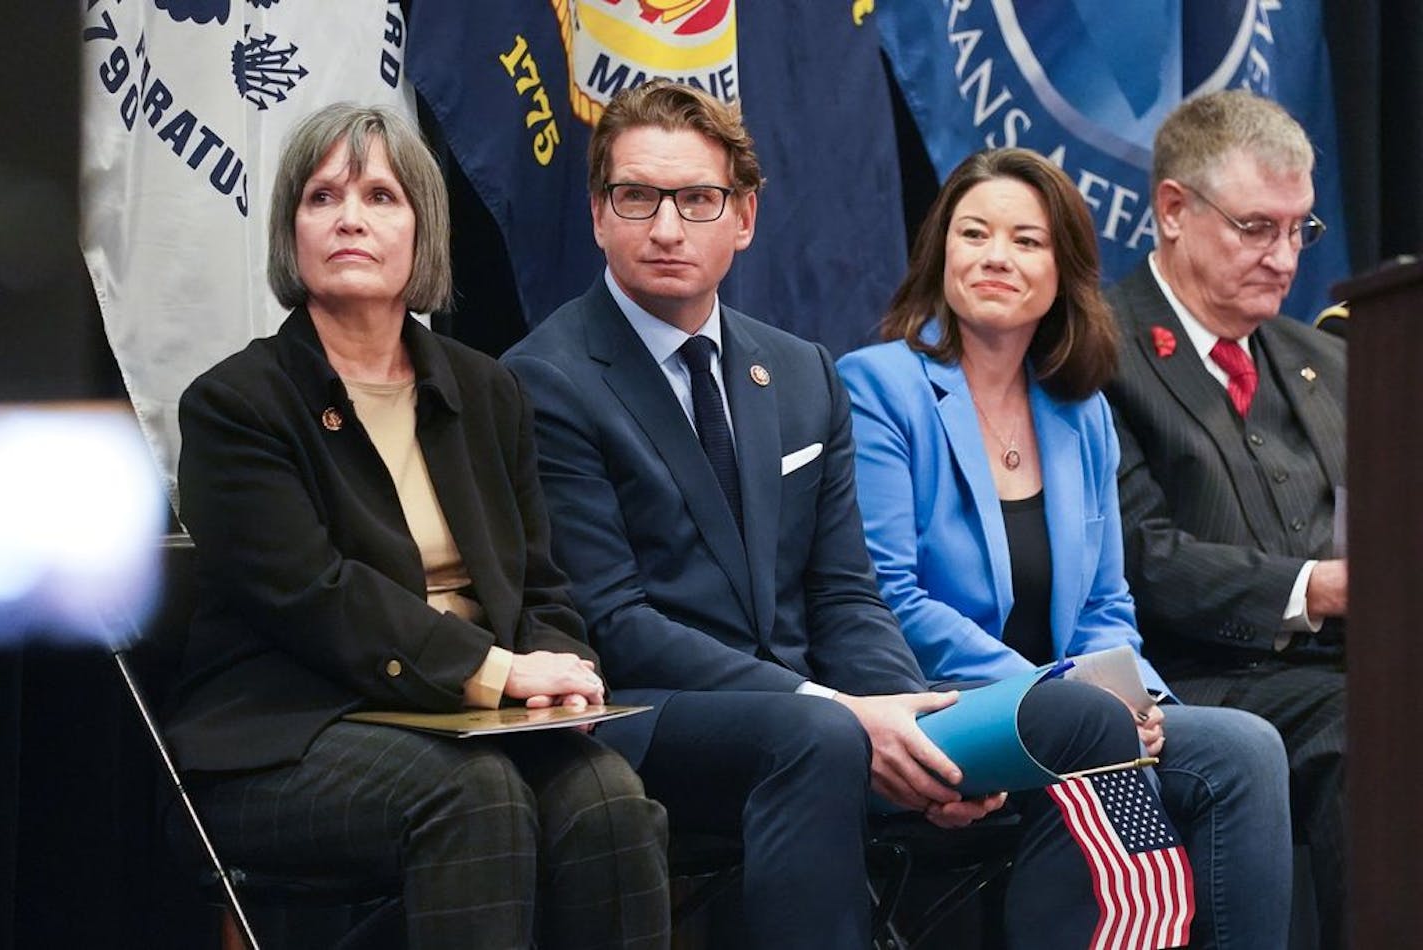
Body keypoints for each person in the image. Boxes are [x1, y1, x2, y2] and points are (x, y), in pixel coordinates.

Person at [506, 79, 1195, 950]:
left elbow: (846, 594)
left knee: (1081, 720)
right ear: (600, 215)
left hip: (832, 713)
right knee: (818, 737)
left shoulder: (800, 371)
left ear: (744, 217)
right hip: (657, 715)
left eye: (698, 199)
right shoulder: (547, 379)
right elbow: (614, 623)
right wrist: (838, 706)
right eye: (637, 198)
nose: (668, 227)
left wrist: (904, 712)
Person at [165, 103, 669, 950]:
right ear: (292, 233)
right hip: (294, 733)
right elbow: (317, 599)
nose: (350, 218)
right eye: (322, 198)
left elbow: (537, 581)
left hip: (473, 721)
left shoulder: (486, 390)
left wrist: (566, 675)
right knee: (472, 796)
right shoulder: (235, 405)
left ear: (423, 231)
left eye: (380, 196)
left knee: (608, 798)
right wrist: (503, 670)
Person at [837, 146, 1294, 948]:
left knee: (1245, 748)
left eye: (1027, 241)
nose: (996, 258)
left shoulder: (1079, 412)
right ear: (940, 252)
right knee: (1088, 745)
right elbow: (889, 598)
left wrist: (1140, 701)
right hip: (936, 710)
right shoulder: (879, 386)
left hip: (1082, 716)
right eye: (974, 234)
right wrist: (1067, 695)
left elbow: (1106, 603)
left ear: (1063, 271)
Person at [1101, 89, 1347, 947]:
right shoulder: (1097, 350)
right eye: (1256, 227)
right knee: (1372, 730)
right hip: (1197, 683)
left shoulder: (1329, 358)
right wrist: (1317, 587)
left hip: (1344, 668)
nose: (1285, 258)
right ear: (1174, 209)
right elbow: (1144, 558)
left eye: (1301, 230)